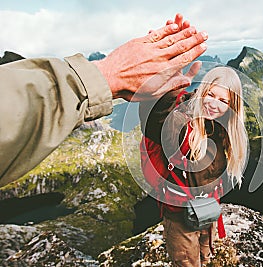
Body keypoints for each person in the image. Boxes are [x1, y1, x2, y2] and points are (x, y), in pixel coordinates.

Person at [0, 14, 207, 187]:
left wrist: (106, 77)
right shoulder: (189, 128)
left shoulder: (218, 132)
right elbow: (160, 129)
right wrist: (107, 76)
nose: (215, 103)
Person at [139, 66, 247, 266]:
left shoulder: (221, 128)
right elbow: (156, 121)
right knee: (188, 262)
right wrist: (170, 90)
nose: (214, 104)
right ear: (202, 92)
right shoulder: (181, 122)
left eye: (223, 101)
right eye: (210, 94)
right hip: (180, 213)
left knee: (206, 255)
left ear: (233, 106)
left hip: (206, 208)